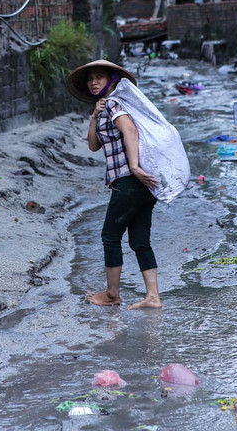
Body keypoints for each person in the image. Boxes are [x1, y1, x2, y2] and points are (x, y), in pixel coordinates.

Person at [66, 59, 162, 309]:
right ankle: (153, 296)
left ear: (112, 80)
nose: (93, 82)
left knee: (110, 236)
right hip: (144, 184)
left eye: (99, 77)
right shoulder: (107, 106)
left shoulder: (114, 103)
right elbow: (93, 145)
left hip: (129, 180)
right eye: (90, 79)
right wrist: (94, 116)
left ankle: (112, 295)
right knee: (140, 240)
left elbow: (129, 131)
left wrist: (133, 167)